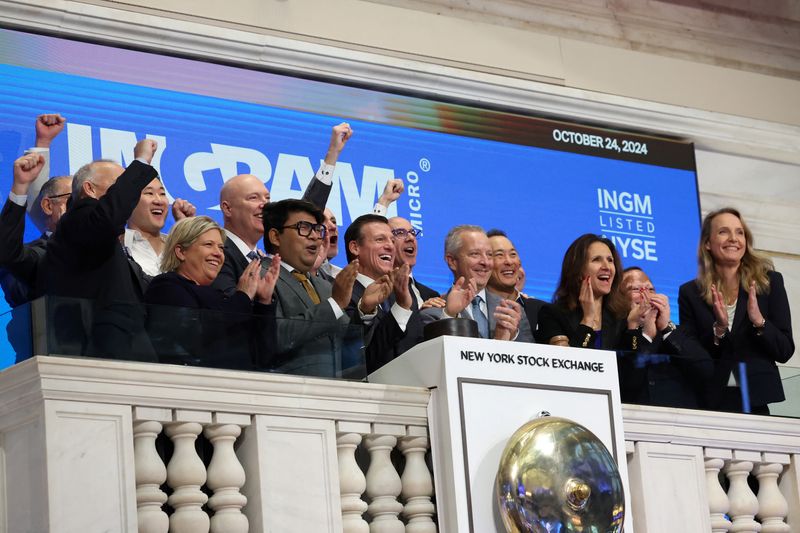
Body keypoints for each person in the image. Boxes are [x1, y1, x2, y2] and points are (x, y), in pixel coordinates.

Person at [44, 140, 160, 360]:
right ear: (89, 188)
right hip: (102, 346)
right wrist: (140, 161)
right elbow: (109, 215)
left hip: (124, 340)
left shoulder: (99, 232)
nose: (128, 193)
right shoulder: (77, 218)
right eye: (117, 184)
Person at [212, 123, 353, 296]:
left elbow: (303, 215)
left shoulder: (268, 261)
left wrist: (332, 155)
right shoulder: (217, 252)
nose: (264, 204)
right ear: (227, 208)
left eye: (267, 198)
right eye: (253, 198)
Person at [678, 207, 794, 414]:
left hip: (756, 399)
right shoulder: (689, 292)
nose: (733, 238)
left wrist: (760, 322)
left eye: (739, 232)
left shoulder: (769, 282)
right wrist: (719, 330)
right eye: (723, 231)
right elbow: (692, 355)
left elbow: (785, 350)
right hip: (712, 400)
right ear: (707, 243)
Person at [145, 216, 279, 369]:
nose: (219, 253)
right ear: (181, 251)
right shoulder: (166, 287)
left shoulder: (220, 298)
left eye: (221, 248)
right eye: (209, 245)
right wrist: (243, 296)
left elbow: (265, 357)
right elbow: (198, 338)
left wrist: (264, 302)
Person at [262, 198, 359, 377]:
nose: (315, 236)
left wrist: (365, 309)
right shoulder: (260, 275)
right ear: (275, 236)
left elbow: (346, 342)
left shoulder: (325, 285)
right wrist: (334, 304)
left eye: (317, 229)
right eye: (304, 228)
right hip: (286, 391)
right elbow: (274, 336)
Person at [618, 266, 713, 408]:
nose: (646, 295)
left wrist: (665, 327)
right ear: (619, 300)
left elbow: (706, 371)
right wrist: (641, 332)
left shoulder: (677, 332)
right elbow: (628, 383)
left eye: (650, 289)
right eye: (636, 289)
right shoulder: (618, 335)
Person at [343, 214, 424, 371]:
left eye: (392, 241)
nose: (390, 246)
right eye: (380, 240)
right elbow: (356, 359)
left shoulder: (403, 294)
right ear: (355, 247)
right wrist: (400, 309)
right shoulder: (342, 293)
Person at [422, 225, 524, 341]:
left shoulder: (510, 311)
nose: (485, 262)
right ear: (452, 261)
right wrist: (449, 315)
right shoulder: (433, 313)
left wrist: (507, 340)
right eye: (475, 254)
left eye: (489, 255)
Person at [537, 234, 637, 350]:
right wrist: (588, 319)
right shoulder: (553, 314)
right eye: (596, 260)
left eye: (610, 260)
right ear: (578, 270)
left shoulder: (622, 316)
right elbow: (567, 364)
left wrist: (633, 326)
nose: (607, 267)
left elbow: (633, 364)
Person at [125, 176, 196, 277]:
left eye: (162, 194)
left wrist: (186, 229)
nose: (159, 201)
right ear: (127, 202)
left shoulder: (177, 248)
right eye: (149, 193)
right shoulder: (118, 247)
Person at [486, 229, 544, 342]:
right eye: (499, 255)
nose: (508, 261)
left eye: (513, 254)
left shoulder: (541, 310)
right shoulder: (474, 309)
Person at [388, 216, 441, 309]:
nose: (411, 238)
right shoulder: (380, 291)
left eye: (412, 233)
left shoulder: (432, 295)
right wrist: (419, 315)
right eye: (400, 233)